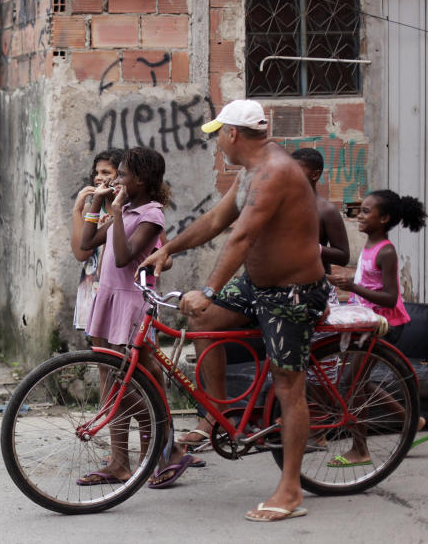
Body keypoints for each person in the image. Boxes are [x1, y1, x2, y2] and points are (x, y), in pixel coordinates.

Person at [141, 99, 329, 522]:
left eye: (218, 135)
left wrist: (208, 288)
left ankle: (291, 489)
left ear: (233, 134)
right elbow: (214, 221)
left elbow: (241, 238)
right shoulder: (249, 173)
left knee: (288, 386)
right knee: (202, 319)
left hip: (293, 293)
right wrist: (167, 248)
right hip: (257, 285)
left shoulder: (276, 172)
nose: (217, 144)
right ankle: (220, 415)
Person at [75, 148, 193, 487]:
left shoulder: (151, 214)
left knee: (135, 383)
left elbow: (126, 257)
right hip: (107, 298)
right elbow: (86, 243)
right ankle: (119, 462)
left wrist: (113, 209)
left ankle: (157, 452)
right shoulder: (123, 209)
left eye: (122, 175)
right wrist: (98, 204)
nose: (116, 181)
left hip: (130, 303)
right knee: (114, 384)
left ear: (139, 180)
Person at [327, 189, 427, 462]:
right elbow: (366, 287)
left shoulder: (387, 251)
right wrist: (345, 286)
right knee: (356, 382)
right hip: (367, 322)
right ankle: (412, 420)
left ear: (384, 219)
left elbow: (391, 297)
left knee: (355, 385)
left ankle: (361, 450)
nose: (359, 216)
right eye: (361, 210)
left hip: (384, 325)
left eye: (366, 212)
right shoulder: (370, 246)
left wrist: (353, 286)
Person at [70, 149, 122, 331]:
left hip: (122, 286)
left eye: (106, 173)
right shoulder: (89, 210)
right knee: (100, 351)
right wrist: (77, 211)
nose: (99, 178)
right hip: (94, 285)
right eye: (97, 173)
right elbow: (81, 253)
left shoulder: (131, 208)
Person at [291, 147, 350, 302]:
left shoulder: (326, 210)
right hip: (285, 289)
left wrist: (311, 247)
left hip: (316, 290)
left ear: (315, 175)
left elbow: (343, 256)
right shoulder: (283, 206)